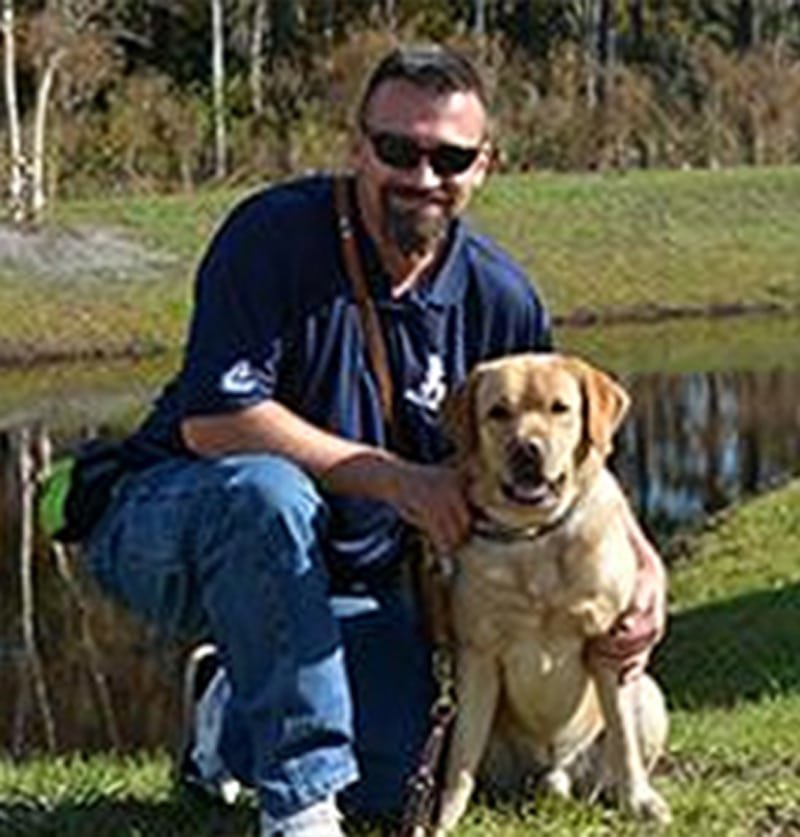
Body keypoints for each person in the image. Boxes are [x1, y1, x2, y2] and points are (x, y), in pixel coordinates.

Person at [80, 44, 666, 837]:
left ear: (483, 166)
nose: (422, 175)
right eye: (397, 149)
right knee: (268, 492)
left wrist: (643, 561)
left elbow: (571, 456)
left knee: (392, 775)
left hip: (343, 574)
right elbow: (215, 420)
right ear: (357, 148)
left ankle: (228, 708)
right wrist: (398, 481)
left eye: (449, 155)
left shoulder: (501, 298)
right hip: (173, 522)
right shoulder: (271, 238)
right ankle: (299, 808)